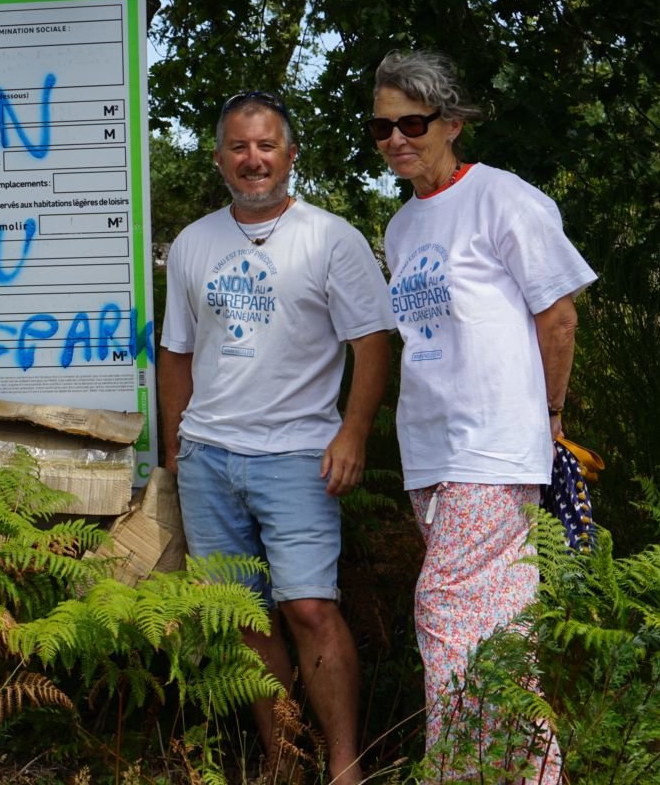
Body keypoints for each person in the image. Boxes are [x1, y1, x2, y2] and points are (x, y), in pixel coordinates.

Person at [371, 50, 595, 782]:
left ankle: (458, 772)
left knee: (441, 611)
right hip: (431, 452)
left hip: (494, 447)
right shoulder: (402, 228)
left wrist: (550, 418)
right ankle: (531, 774)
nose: (397, 138)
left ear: (452, 122)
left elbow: (556, 315)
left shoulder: (504, 199)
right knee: (498, 636)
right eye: (382, 128)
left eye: (413, 121)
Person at [159, 91, 392, 783]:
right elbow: (175, 353)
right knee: (243, 618)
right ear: (218, 157)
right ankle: (283, 760)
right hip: (208, 455)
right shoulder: (194, 243)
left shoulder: (331, 238)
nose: (252, 159)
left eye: (266, 145)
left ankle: (345, 766)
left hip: (298, 453)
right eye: (238, 146)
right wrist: (176, 451)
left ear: (290, 154)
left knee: (310, 607)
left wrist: (353, 434)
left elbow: (372, 345)